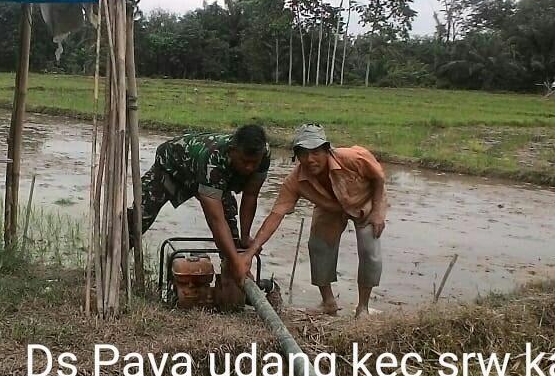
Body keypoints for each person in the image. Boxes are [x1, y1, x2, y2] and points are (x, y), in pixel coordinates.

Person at [240, 123, 387, 316]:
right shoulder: (295, 181)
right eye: (303, 153)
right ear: (297, 156)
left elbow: (378, 178)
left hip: (364, 202)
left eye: (316, 152)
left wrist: (377, 211)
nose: (310, 159)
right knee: (318, 246)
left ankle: (363, 308)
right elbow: (276, 215)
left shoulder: (352, 157)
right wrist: (250, 252)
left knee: (369, 249)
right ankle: (328, 302)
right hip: (330, 207)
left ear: (327, 150)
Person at [129, 125, 270, 282]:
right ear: (232, 151)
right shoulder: (213, 161)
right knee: (140, 217)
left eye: (254, 162)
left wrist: (245, 238)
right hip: (172, 167)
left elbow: (250, 195)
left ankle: (230, 285)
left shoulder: (263, 155)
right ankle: (111, 257)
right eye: (244, 161)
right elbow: (215, 221)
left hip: (210, 176)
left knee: (233, 237)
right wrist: (237, 262)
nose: (249, 167)